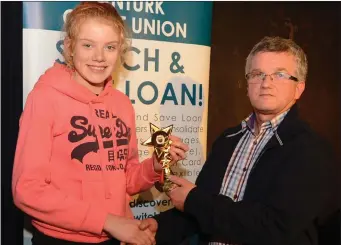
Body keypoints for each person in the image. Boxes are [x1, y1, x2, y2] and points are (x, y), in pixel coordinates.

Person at [12, 2, 189, 245]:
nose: (99, 57)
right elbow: (27, 190)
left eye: (110, 47)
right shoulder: (45, 98)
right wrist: (107, 220)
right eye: (88, 45)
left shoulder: (122, 104)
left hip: (115, 237)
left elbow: (127, 179)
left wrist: (156, 165)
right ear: (69, 47)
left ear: (120, 51)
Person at [139, 36, 340, 245]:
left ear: (299, 88)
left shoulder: (311, 151)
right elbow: (203, 213)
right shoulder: (228, 139)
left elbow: (275, 228)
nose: (266, 83)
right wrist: (158, 226)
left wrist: (193, 200)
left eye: (279, 75)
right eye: (257, 74)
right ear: (247, 84)